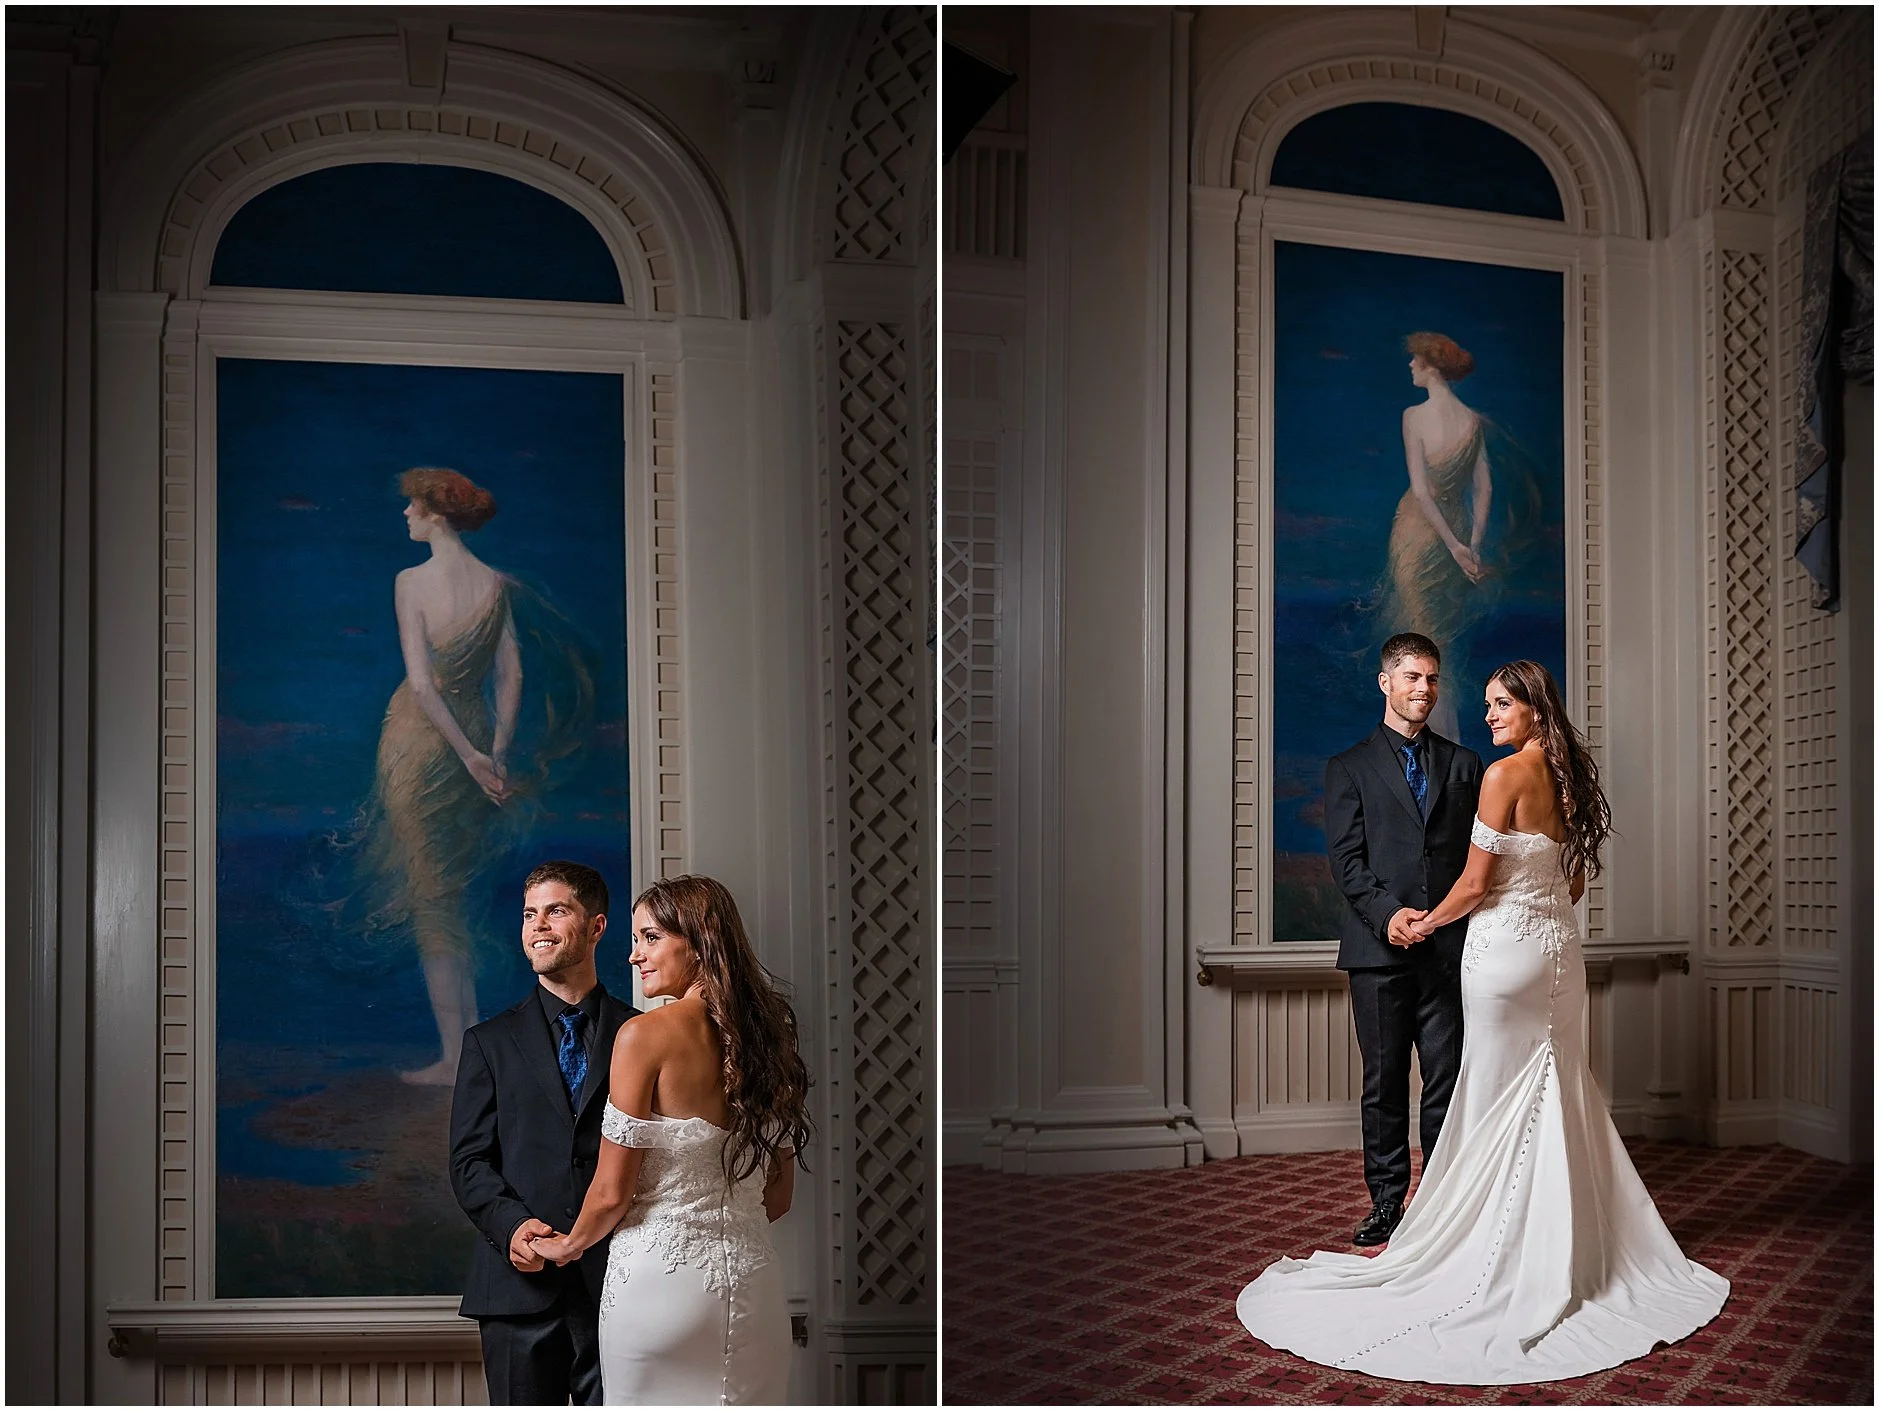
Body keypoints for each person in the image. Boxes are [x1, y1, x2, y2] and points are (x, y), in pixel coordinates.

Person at [1238, 662, 1728, 1384]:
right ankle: (1557, 1240)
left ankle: (1486, 1242)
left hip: (1500, 955)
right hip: (1556, 954)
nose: (1489, 713)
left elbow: (1472, 884)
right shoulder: (1567, 777)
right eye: (1490, 703)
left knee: (1490, 1092)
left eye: (1502, 704)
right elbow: (1571, 883)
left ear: (1534, 709)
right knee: (1553, 1086)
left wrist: (1423, 923)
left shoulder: (1499, 774)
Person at [527, 875, 812, 1404]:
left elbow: (611, 1192)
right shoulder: (770, 1038)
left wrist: (568, 1245)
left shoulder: (643, 1034)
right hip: (753, 1290)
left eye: (651, 938)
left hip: (657, 1286)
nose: (634, 955)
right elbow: (779, 1197)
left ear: (700, 942)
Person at [355, 467, 593, 1086]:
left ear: (435, 513)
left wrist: (468, 757)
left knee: (433, 898)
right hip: (476, 741)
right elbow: (512, 675)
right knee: (449, 895)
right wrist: (496, 751)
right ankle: (465, 1051)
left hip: (421, 746)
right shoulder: (494, 583)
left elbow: (422, 684)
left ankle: (455, 1057)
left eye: (412, 505)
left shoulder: (411, 581)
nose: (405, 514)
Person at [449, 860, 637, 1405]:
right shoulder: (488, 1042)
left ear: (597, 927)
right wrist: (512, 1228)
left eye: (556, 911)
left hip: (620, 1285)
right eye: (530, 914)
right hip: (518, 1289)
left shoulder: (640, 1033)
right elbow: (468, 1162)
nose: (538, 926)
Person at [1321, 632, 1480, 1247]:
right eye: (1412, 676)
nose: (1424, 688)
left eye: (1432, 678)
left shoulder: (1465, 765)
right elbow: (1347, 862)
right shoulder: (1348, 767)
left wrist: (1440, 920)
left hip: (1448, 951)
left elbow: (1475, 860)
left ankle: (1439, 1201)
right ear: (1385, 683)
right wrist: (1389, 916)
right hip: (1378, 951)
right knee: (1384, 1084)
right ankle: (1387, 1203)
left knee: (1446, 1081)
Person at [1379, 333, 1492, 741]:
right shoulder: (1472, 420)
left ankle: (1431, 743)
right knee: (1435, 639)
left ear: (1431, 366)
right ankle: (1443, 742)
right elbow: (1484, 489)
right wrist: (1470, 545)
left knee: (1423, 639)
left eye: (1416, 360)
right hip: (1455, 530)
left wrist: (1456, 547)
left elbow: (1422, 491)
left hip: (1420, 532)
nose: (1411, 366)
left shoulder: (1414, 415)